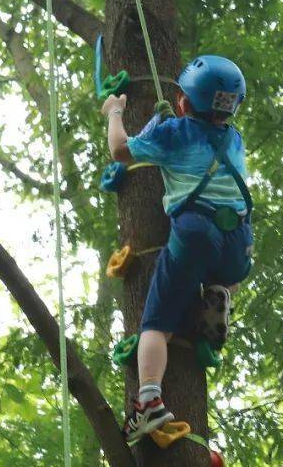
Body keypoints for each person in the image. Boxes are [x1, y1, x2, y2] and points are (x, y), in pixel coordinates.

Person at [102, 54, 253, 437]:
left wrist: (115, 112)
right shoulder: (234, 139)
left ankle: (149, 401)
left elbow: (120, 150)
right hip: (238, 238)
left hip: (194, 231)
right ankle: (219, 293)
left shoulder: (173, 134)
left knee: (155, 324)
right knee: (229, 271)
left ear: (184, 102)